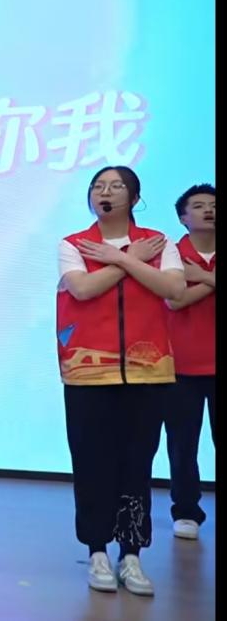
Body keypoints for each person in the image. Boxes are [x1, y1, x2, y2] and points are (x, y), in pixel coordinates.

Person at [56, 166, 185, 597]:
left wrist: (124, 257)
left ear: (134, 197)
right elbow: (82, 289)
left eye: (115, 186)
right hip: (88, 373)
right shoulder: (74, 244)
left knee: (137, 461)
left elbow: (174, 289)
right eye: (97, 186)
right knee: (91, 460)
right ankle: (96, 550)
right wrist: (130, 260)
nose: (104, 192)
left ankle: (131, 554)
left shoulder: (160, 243)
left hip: (148, 370)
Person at [162, 183, 216, 541]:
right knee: (182, 445)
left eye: (213, 205)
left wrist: (203, 278)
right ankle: (186, 511)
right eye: (198, 206)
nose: (209, 210)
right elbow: (175, 300)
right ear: (183, 218)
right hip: (180, 365)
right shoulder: (172, 255)